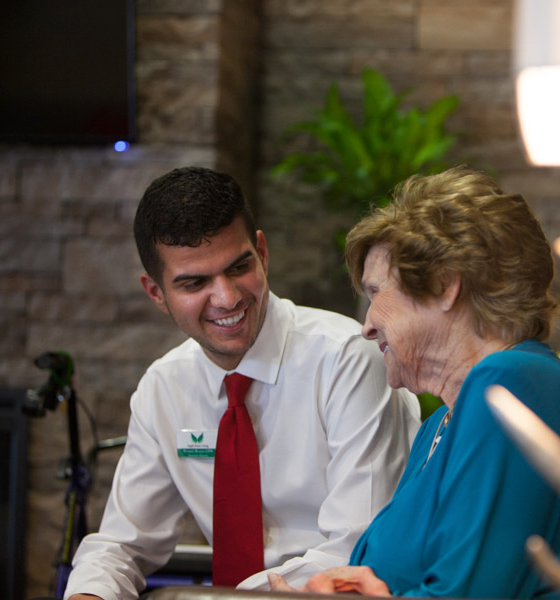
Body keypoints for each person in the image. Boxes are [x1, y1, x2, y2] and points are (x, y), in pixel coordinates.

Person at [268, 166, 560, 598]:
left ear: (444, 285)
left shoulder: (512, 385)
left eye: (375, 293)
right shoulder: (439, 425)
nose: (366, 326)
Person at [63, 166, 421, 600]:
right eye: (195, 282)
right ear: (156, 293)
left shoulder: (348, 359)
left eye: (238, 267)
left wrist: (228, 598)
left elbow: (359, 546)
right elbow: (121, 544)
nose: (227, 297)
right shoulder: (164, 388)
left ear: (262, 253)